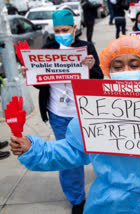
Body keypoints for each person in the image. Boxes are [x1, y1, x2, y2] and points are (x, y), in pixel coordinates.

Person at [10, 35, 140, 213]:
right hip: (110, 204)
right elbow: (72, 151)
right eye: (118, 66)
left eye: (133, 65)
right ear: (108, 71)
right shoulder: (96, 111)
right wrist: (33, 149)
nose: (126, 71)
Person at [21, 10, 104, 214]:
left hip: (85, 113)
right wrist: (31, 74)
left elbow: (99, 79)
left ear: (74, 29)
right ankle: (76, 199)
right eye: (57, 30)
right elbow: (42, 86)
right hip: (58, 113)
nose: (61, 33)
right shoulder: (47, 49)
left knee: (97, 152)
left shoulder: (86, 47)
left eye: (65, 30)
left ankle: (107, 185)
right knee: (67, 158)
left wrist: (92, 67)